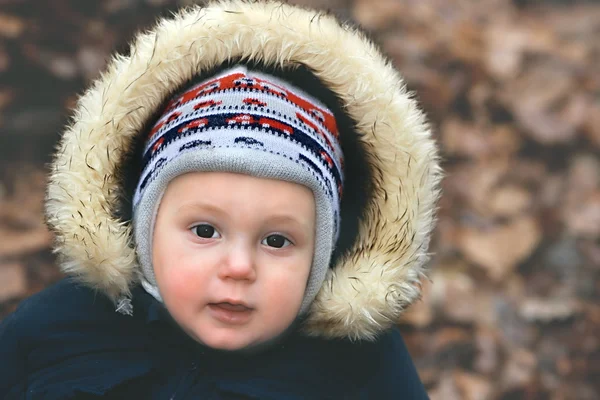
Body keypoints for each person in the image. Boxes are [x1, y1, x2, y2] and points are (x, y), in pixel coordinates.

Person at [0, 1, 441, 398]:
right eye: (205, 231)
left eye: (276, 241)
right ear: (145, 228)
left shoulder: (359, 370)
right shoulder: (57, 330)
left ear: (323, 254)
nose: (239, 268)